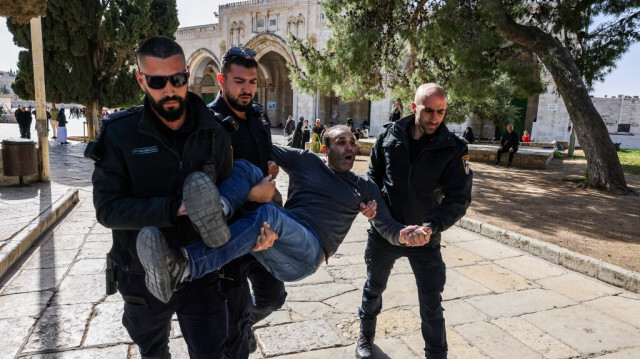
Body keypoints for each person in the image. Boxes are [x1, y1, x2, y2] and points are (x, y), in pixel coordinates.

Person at [136, 125, 430, 303]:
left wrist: (404, 234)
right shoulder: (305, 161)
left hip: (308, 253)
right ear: (324, 148)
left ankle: (186, 266)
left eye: (352, 143)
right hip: (274, 243)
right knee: (251, 169)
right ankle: (218, 211)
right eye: (342, 142)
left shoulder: (363, 187)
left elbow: (388, 226)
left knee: (269, 214)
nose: (350, 147)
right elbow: (259, 148)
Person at [90, 35, 233, 358]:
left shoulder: (214, 130)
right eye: (157, 81)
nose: (170, 90)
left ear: (187, 73)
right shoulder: (119, 134)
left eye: (178, 79)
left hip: (202, 273)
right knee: (153, 354)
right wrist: (173, 209)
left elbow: (227, 192)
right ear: (141, 80)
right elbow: (108, 209)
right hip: (142, 275)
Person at [356, 83, 472, 359]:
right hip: (385, 233)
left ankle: (436, 354)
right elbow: (373, 180)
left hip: (425, 238)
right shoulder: (388, 137)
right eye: (428, 111)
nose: (434, 118)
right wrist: (371, 206)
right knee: (374, 288)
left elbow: (459, 199)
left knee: (431, 302)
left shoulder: (454, 149)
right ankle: (365, 336)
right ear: (413, 107)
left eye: (441, 112)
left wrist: (430, 226)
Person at [208, 46, 287, 358]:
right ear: (221, 80)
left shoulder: (258, 116)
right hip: (230, 234)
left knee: (273, 298)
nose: (247, 89)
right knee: (236, 319)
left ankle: (242, 326)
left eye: (252, 82)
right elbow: (203, 185)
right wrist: (251, 193)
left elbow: (262, 157)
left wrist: (269, 170)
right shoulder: (209, 123)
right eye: (239, 81)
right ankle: (238, 331)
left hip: (263, 227)